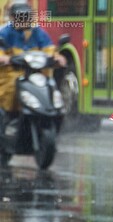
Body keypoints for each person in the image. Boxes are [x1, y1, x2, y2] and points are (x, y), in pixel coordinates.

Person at [0, 2, 65, 133]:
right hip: (12, 74)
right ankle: (7, 120)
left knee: (50, 89)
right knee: (10, 89)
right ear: (12, 17)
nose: (23, 20)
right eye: (20, 17)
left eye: (26, 16)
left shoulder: (38, 32)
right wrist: (5, 58)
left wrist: (57, 58)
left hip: (36, 75)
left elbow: (49, 50)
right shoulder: (5, 32)